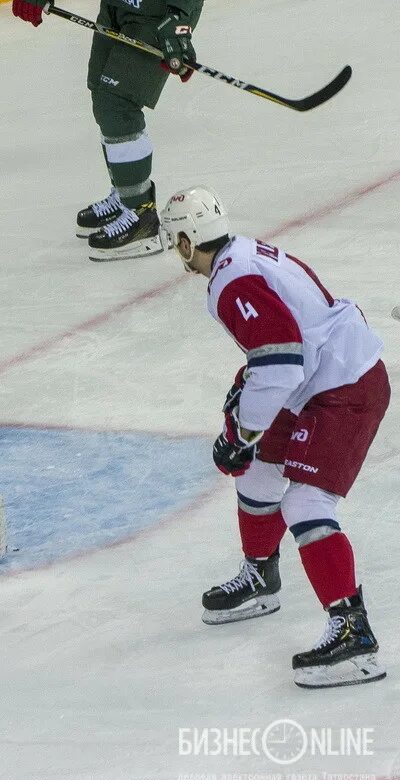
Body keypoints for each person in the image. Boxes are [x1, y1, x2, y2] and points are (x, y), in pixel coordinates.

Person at [160, 186, 388, 688]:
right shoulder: (242, 253)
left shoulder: (231, 280)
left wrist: (242, 428)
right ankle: (260, 576)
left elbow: (280, 362)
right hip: (318, 376)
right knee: (259, 469)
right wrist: (248, 432)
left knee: (305, 505)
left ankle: (355, 635)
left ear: (182, 241)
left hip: (344, 386)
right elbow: (284, 354)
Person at [12, 0, 203, 262]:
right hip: (117, 6)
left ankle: (141, 215)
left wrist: (181, 17)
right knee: (103, 96)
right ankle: (126, 196)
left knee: (117, 104)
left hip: (158, 14)